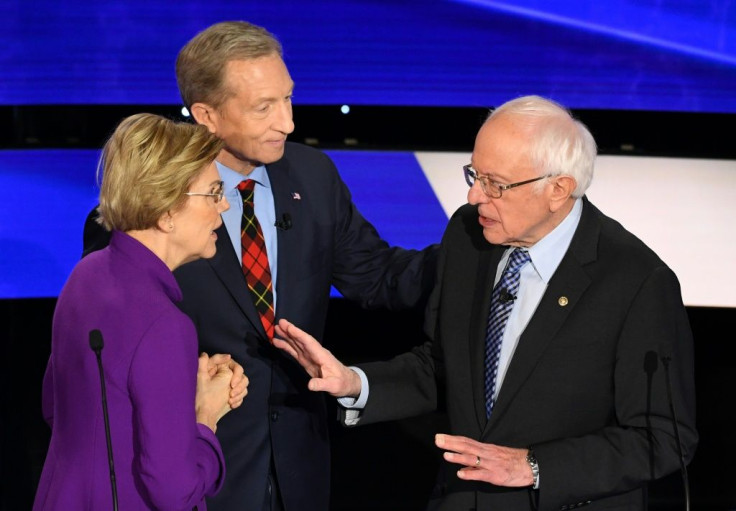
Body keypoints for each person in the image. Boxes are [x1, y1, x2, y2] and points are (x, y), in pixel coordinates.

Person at [273, 95, 698, 511]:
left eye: (495, 184)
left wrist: (533, 466)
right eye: (473, 175)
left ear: (558, 189)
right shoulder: (469, 236)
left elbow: (663, 438)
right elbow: (443, 366)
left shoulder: (636, 281)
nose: (475, 196)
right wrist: (355, 383)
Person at [82, 21, 438, 511]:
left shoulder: (312, 176)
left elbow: (378, 276)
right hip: (194, 471)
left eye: (288, 99)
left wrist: (479, 256)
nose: (288, 123)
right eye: (264, 107)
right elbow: (106, 369)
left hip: (301, 467)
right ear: (206, 114)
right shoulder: (144, 211)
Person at [34, 113, 249, 511]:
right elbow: (174, 492)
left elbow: (57, 406)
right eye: (214, 191)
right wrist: (205, 415)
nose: (223, 205)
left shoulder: (87, 273)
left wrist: (178, 385)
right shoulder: (165, 326)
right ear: (166, 213)